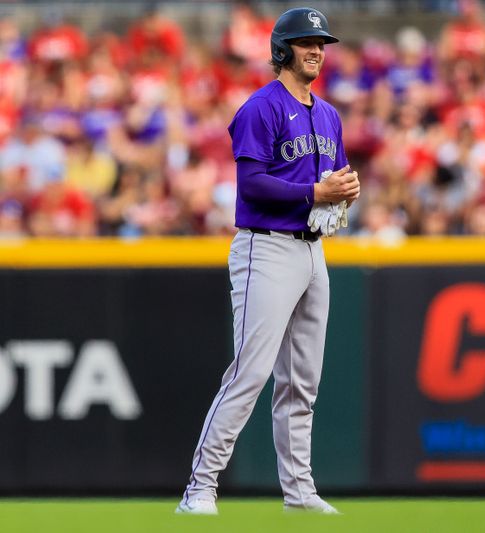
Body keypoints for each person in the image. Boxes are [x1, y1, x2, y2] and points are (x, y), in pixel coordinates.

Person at [176, 7, 359, 515]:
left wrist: (343, 192)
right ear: (283, 49)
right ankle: (200, 488)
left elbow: (327, 188)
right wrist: (319, 190)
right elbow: (252, 184)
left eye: (321, 42)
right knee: (250, 373)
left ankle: (299, 493)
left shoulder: (329, 115)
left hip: (311, 250)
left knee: (303, 381)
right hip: (266, 246)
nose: (317, 49)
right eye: (306, 41)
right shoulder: (262, 107)